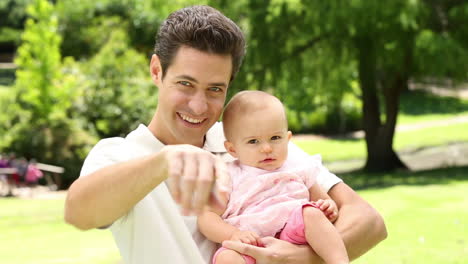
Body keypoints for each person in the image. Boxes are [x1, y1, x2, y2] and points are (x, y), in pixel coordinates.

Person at [64, 5, 387, 264]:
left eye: (215, 89)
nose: (199, 105)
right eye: (185, 84)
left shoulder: (254, 141)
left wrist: (297, 258)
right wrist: (163, 162)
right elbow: (79, 212)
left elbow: (369, 222)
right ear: (156, 71)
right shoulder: (121, 154)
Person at [198, 91, 349, 264]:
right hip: (250, 242)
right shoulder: (228, 176)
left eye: (275, 138)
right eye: (253, 141)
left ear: (288, 139)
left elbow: (325, 201)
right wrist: (233, 234)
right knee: (227, 257)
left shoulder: (298, 168)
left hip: (293, 234)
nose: (267, 148)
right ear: (232, 149)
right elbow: (207, 218)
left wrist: (328, 207)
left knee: (312, 214)